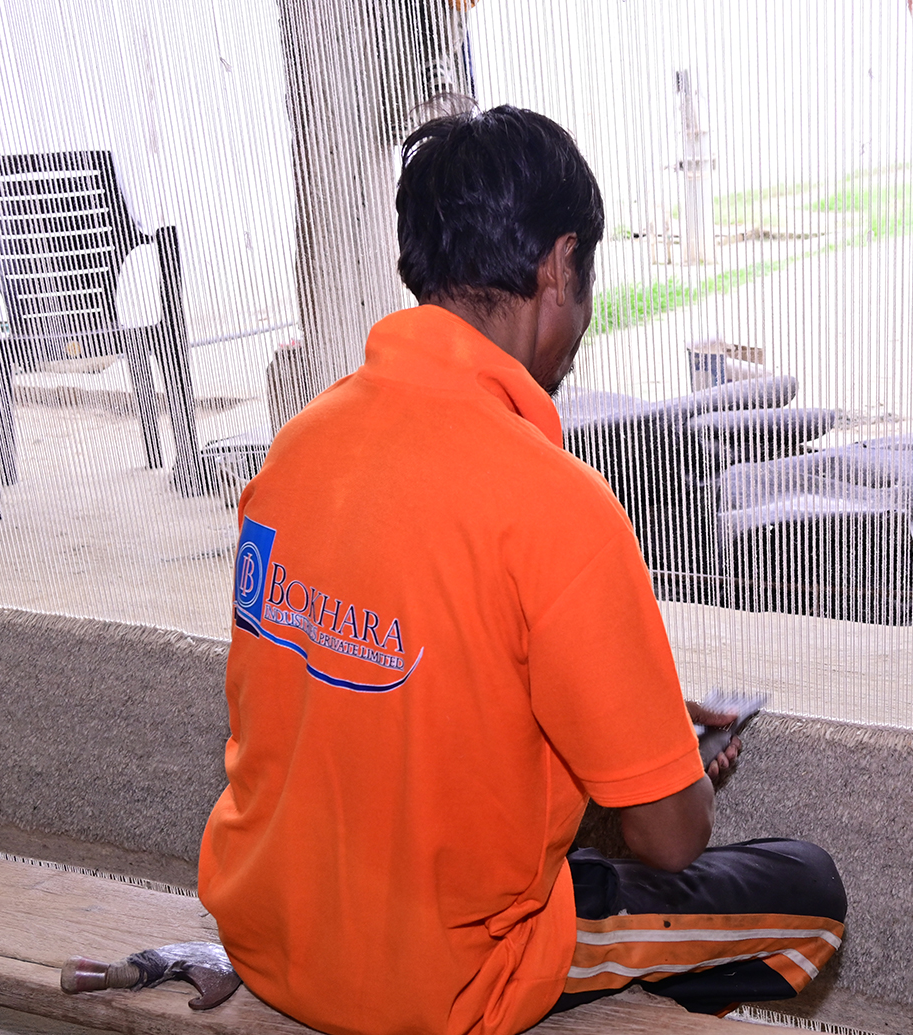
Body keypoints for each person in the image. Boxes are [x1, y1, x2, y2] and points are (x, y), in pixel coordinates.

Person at [198, 106, 846, 1035]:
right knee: (809, 893)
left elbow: (389, 683)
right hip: (440, 984)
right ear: (559, 266)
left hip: (269, 931)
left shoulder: (296, 452)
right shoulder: (557, 505)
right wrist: (676, 766)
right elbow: (672, 837)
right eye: (588, 284)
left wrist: (635, 715)